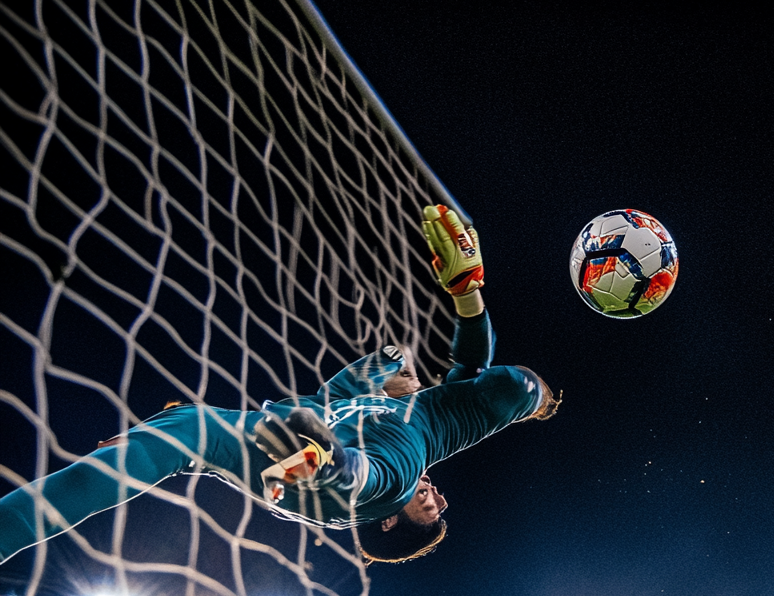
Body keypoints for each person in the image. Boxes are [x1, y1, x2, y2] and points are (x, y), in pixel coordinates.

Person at [0, 206, 557, 565]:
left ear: (393, 523)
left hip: (324, 475)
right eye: (441, 505)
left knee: (367, 466)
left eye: (429, 513)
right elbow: (452, 371)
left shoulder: (408, 463)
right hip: (276, 458)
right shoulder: (418, 413)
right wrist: (402, 352)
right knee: (185, 427)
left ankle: (319, 459)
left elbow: (366, 471)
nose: (438, 498)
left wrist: (322, 449)